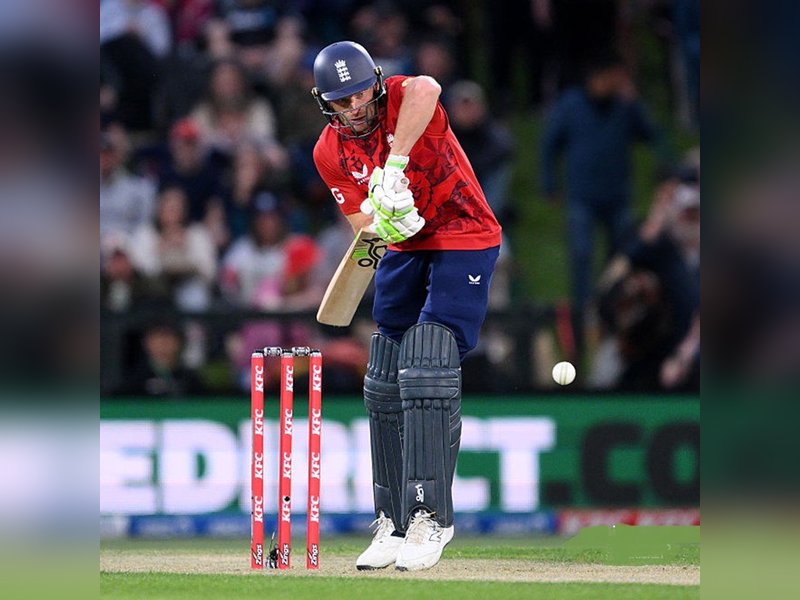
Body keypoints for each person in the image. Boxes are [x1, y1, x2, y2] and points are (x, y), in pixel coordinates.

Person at [310, 41, 502, 572]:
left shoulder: (402, 97)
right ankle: (392, 522)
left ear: (375, 81)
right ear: (324, 103)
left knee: (428, 357)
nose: (355, 108)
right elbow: (362, 233)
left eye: (359, 94)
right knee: (385, 370)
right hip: (405, 244)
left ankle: (430, 517)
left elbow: (428, 87)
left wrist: (393, 167)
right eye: (340, 101)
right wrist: (384, 216)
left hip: (465, 232)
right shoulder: (329, 152)